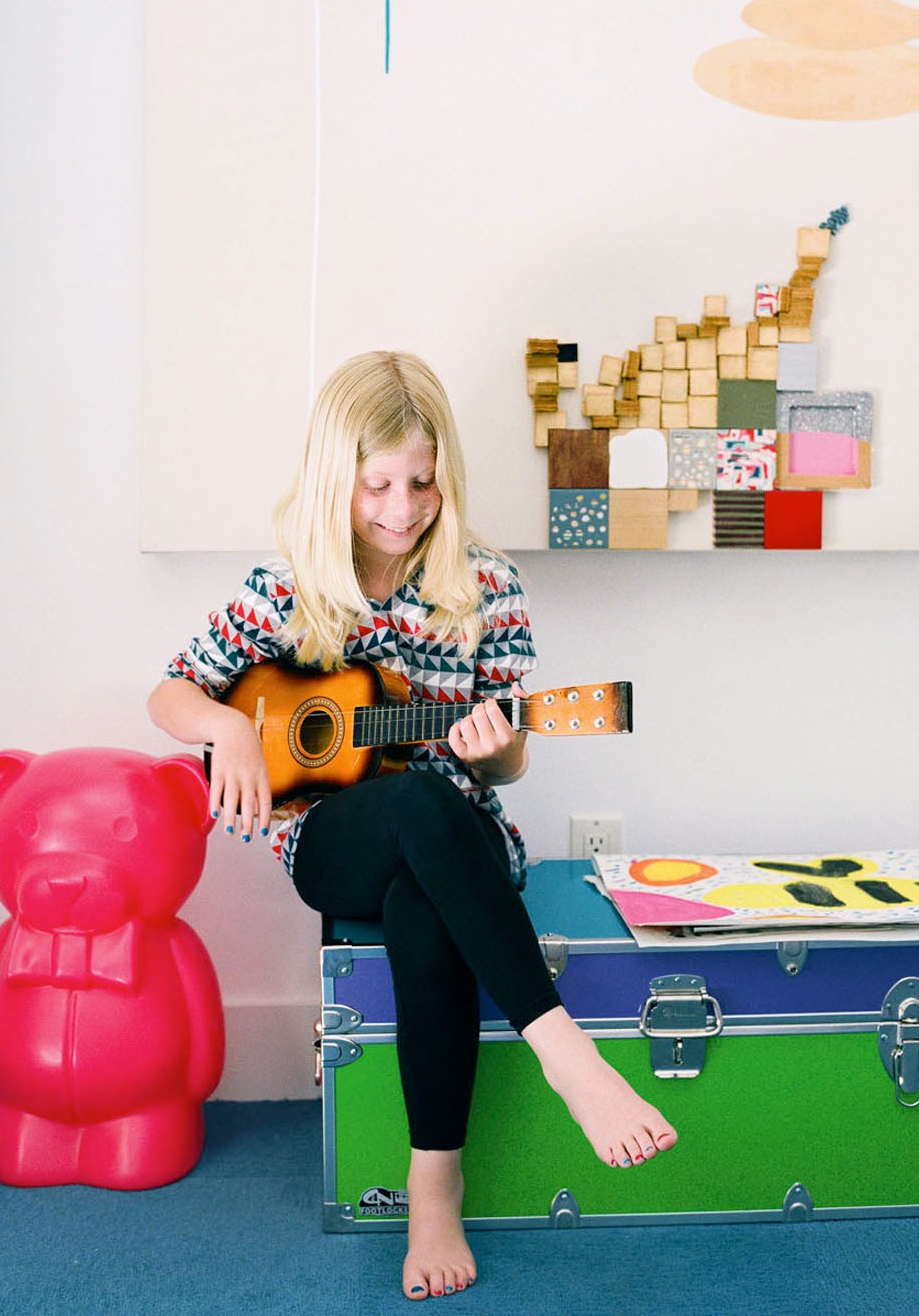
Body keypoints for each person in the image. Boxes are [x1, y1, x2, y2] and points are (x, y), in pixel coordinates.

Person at [148, 350, 676, 1302]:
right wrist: (225, 726)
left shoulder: (487, 586)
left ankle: (434, 1188)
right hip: (330, 843)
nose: (402, 507)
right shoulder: (287, 587)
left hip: (460, 845)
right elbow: (170, 690)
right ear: (335, 478)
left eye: (423, 482)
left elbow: (509, 761)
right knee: (416, 803)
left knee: (426, 878)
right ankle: (567, 1051)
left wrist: (494, 752)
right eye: (378, 484)